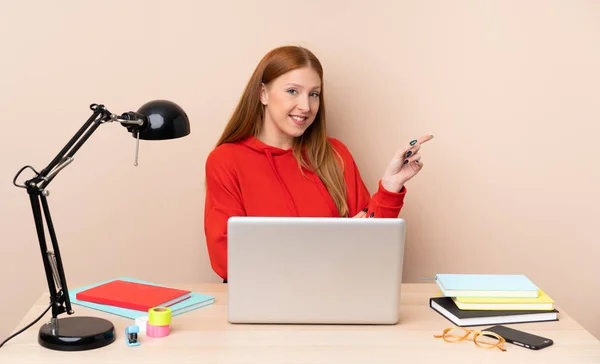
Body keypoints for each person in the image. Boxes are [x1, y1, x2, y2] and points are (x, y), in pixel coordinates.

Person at [204, 45, 433, 282]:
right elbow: (227, 259)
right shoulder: (225, 160)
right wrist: (332, 243)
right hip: (266, 300)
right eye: (292, 91)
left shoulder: (335, 154)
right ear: (263, 93)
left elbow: (370, 245)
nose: (306, 106)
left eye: (314, 94)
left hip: (336, 296)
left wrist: (390, 186)